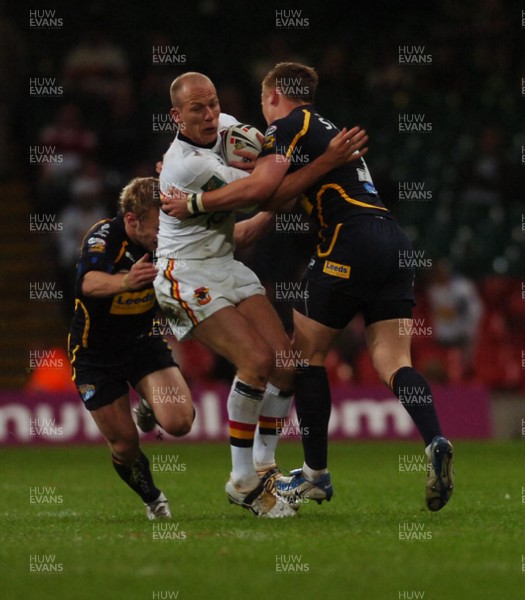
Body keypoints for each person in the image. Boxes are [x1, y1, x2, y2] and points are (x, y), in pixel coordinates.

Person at [162, 63, 454, 512]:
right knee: (394, 360)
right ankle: (434, 437)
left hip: (347, 241)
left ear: (275, 95)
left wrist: (196, 203)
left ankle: (310, 475)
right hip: (392, 240)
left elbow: (267, 192)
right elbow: (276, 196)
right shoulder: (328, 128)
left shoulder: (288, 126)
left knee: (304, 356)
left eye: (262, 103)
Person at [155, 72, 368, 518]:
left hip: (226, 261)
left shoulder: (231, 128)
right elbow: (268, 192)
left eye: (212, 103)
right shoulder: (186, 164)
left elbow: (276, 193)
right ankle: (243, 482)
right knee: (255, 362)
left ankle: (265, 465)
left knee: (286, 366)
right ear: (176, 116)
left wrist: (274, 181)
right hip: (186, 271)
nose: (210, 114)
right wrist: (324, 161)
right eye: (197, 108)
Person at [67, 176, 195, 520]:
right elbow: (87, 283)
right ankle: (153, 498)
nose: (162, 233)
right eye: (156, 226)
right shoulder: (104, 237)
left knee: (181, 422)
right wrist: (126, 280)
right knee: (124, 445)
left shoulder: (169, 238)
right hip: (95, 354)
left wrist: (261, 214)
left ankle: (149, 408)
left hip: (143, 343)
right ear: (131, 220)